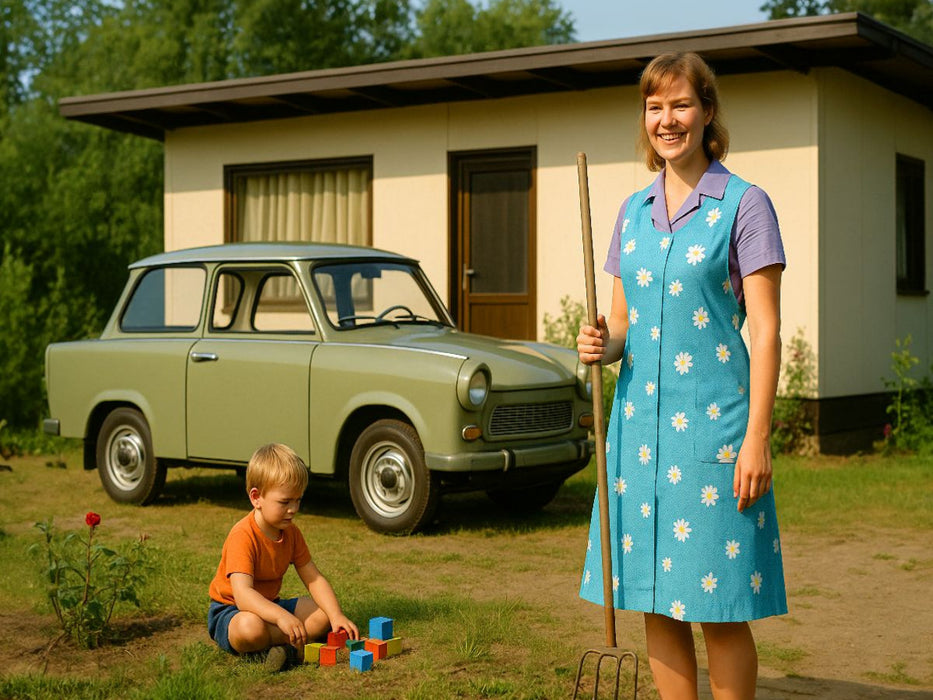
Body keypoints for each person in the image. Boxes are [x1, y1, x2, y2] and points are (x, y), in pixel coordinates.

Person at [577, 51, 787, 700]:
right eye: (653, 106)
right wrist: (598, 342)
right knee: (654, 601)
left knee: (719, 607)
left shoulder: (745, 206)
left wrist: (756, 438)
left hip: (714, 439)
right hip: (638, 439)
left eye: (680, 104)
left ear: (706, 112)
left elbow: (766, 330)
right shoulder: (630, 212)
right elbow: (621, 325)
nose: (666, 120)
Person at [208, 443, 359, 671]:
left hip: (270, 605)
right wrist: (282, 617)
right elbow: (243, 595)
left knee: (322, 616)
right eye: (285, 502)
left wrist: (336, 614)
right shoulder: (242, 535)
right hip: (232, 611)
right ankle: (289, 643)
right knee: (252, 628)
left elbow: (314, 578)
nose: (293, 509)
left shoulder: (291, 533)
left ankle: (281, 648)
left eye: (298, 500)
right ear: (257, 497)